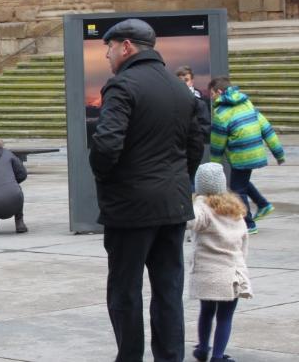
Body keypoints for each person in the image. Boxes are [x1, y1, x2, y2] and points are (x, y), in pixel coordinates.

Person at [88, 19, 202, 362]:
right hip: (172, 205)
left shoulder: (122, 86)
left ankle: (130, 357)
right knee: (168, 289)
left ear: (126, 46)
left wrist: (107, 179)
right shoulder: (179, 88)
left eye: (109, 47)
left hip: (130, 207)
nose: (107, 55)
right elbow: (196, 144)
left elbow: (106, 145)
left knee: (125, 290)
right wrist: (178, 179)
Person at [188, 163, 253, 362]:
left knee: (206, 312)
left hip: (207, 272)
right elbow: (244, 242)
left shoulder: (200, 206)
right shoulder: (235, 208)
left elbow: (190, 221)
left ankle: (202, 349)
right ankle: (218, 356)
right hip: (231, 271)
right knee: (225, 316)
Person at [208, 76, 286, 234]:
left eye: (212, 93)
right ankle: (263, 205)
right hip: (255, 152)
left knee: (237, 188)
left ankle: (248, 224)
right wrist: (278, 153)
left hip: (241, 155)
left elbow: (217, 143)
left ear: (219, 91)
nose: (211, 97)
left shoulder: (221, 112)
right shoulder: (246, 103)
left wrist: (214, 165)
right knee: (242, 181)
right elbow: (266, 127)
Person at [175, 66, 211, 183]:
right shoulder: (171, 99)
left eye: (186, 80)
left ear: (192, 81)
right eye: (180, 80)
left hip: (192, 150)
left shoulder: (200, 103)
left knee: (190, 182)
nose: (183, 83)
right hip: (175, 149)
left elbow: (205, 127)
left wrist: (194, 139)